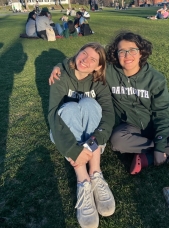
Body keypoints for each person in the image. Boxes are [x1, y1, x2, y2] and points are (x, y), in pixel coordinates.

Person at [49, 31, 169, 176]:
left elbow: (162, 113)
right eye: (122, 51)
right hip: (129, 128)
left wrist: (160, 145)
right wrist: (60, 66)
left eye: (132, 50)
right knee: (117, 141)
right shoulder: (109, 72)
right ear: (116, 55)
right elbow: (87, 59)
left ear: (141, 53)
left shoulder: (155, 79)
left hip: (154, 123)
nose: (127, 55)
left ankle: (150, 157)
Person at [48, 42, 115, 228]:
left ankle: (95, 173)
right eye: (83, 54)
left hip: (91, 135)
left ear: (99, 66)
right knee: (69, 107)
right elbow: (53, 115)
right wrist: (72, 149)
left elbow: (108, 114)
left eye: (93, 59)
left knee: (90, 104)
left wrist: (94, 142)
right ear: (77, 53)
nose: (85, 60)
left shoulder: (99, 82)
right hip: (62, 132)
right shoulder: (60, 75)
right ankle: (83, 179)